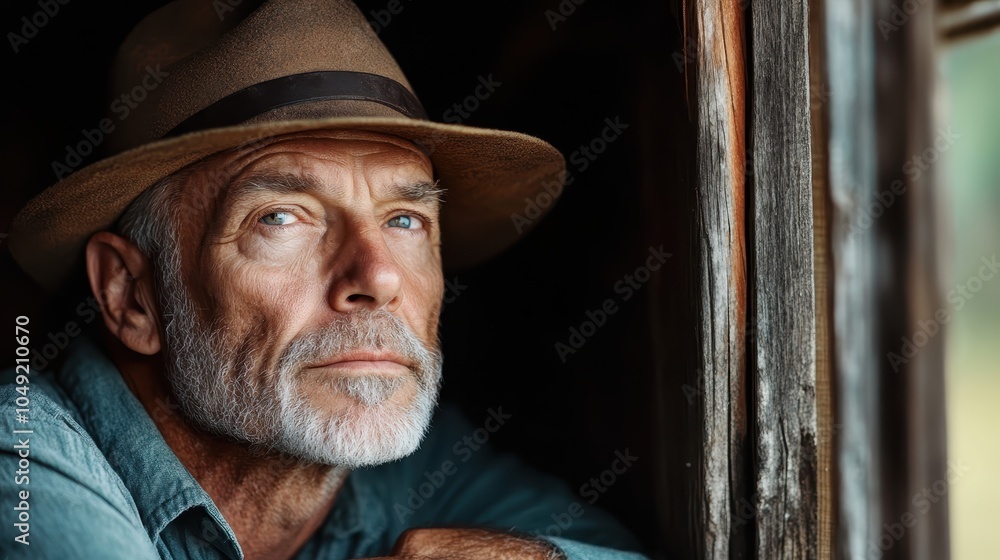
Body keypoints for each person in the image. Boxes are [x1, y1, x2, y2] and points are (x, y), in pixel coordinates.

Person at [1, 0, 649, 558]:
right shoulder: (21, 457)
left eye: (404, 219)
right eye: (282, 217)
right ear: (130, 295)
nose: (377, 277)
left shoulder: (406, 458)